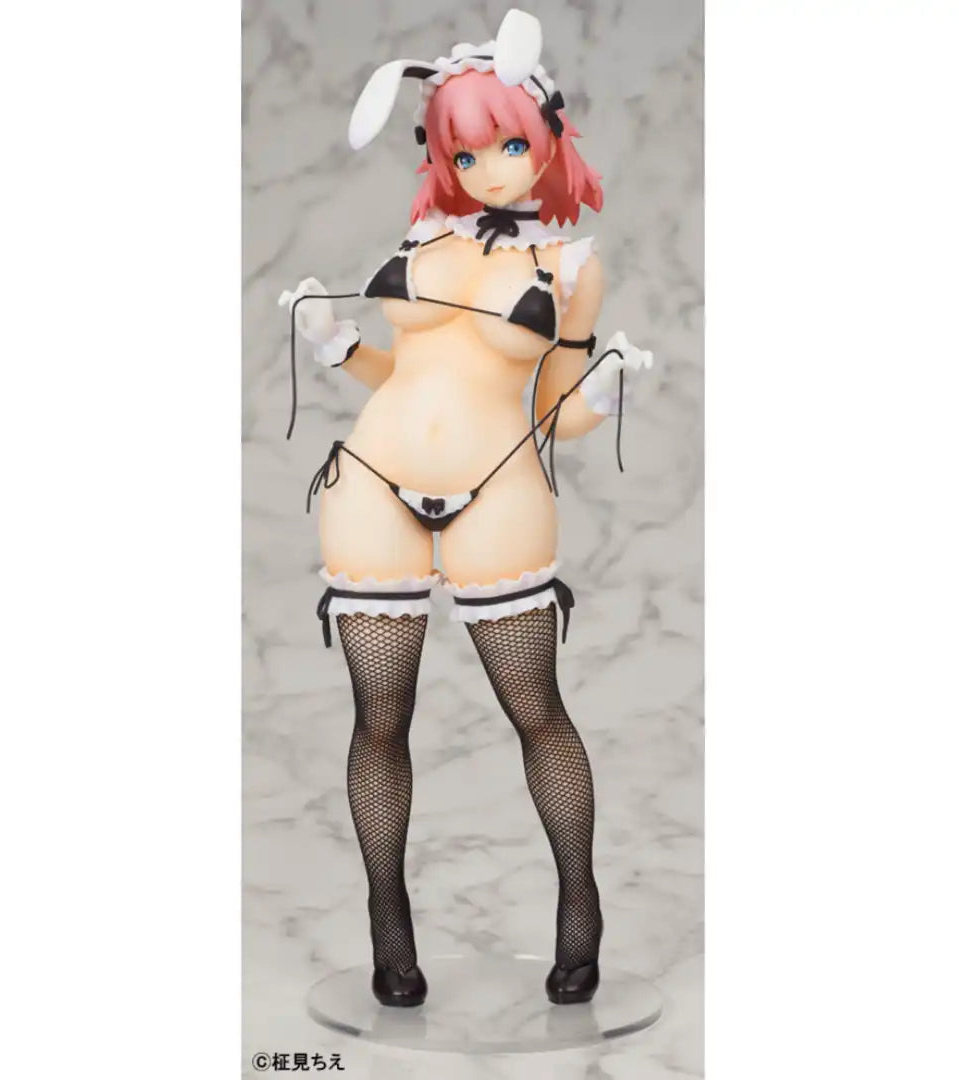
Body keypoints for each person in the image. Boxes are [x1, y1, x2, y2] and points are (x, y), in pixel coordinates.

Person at [279, 9, 658, 1008]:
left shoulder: (572, 267)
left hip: (501, 490)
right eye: (464, 151)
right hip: (372, 483)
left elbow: (557, 413)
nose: (488, 168)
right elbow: (402, 373)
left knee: (537, 710)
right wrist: (331, 347)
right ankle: (388, 925)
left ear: (548, 136)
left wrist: (608, 392)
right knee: (379, 717)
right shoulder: (421, 237)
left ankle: (581, 907)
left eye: (508, 145)